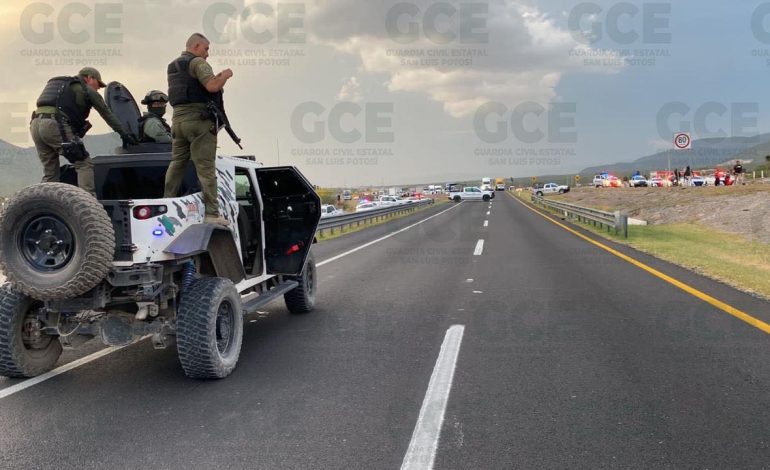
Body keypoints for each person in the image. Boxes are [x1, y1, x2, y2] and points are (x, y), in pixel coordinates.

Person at [30, 67, 138, 196]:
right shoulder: (87, 91)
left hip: (35, 124)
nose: (98, 88)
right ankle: (88, 202)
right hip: (54, 124)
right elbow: (107, 114)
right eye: (98, 84)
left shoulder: (65, 87)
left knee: (50, 172)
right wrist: (125, 134)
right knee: (83, 163)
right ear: (89, 78)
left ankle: (44, 204)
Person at [164, 33, 233, 226]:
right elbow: (212, 86)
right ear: (196, 46)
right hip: (198, 121)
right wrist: (225, 75)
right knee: (205, 167)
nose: (207, 54)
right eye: (206, 49)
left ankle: (167, 201)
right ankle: (212, 213)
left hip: (177, 121)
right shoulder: (197, 63)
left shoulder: (173, 66)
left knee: (177, 163)